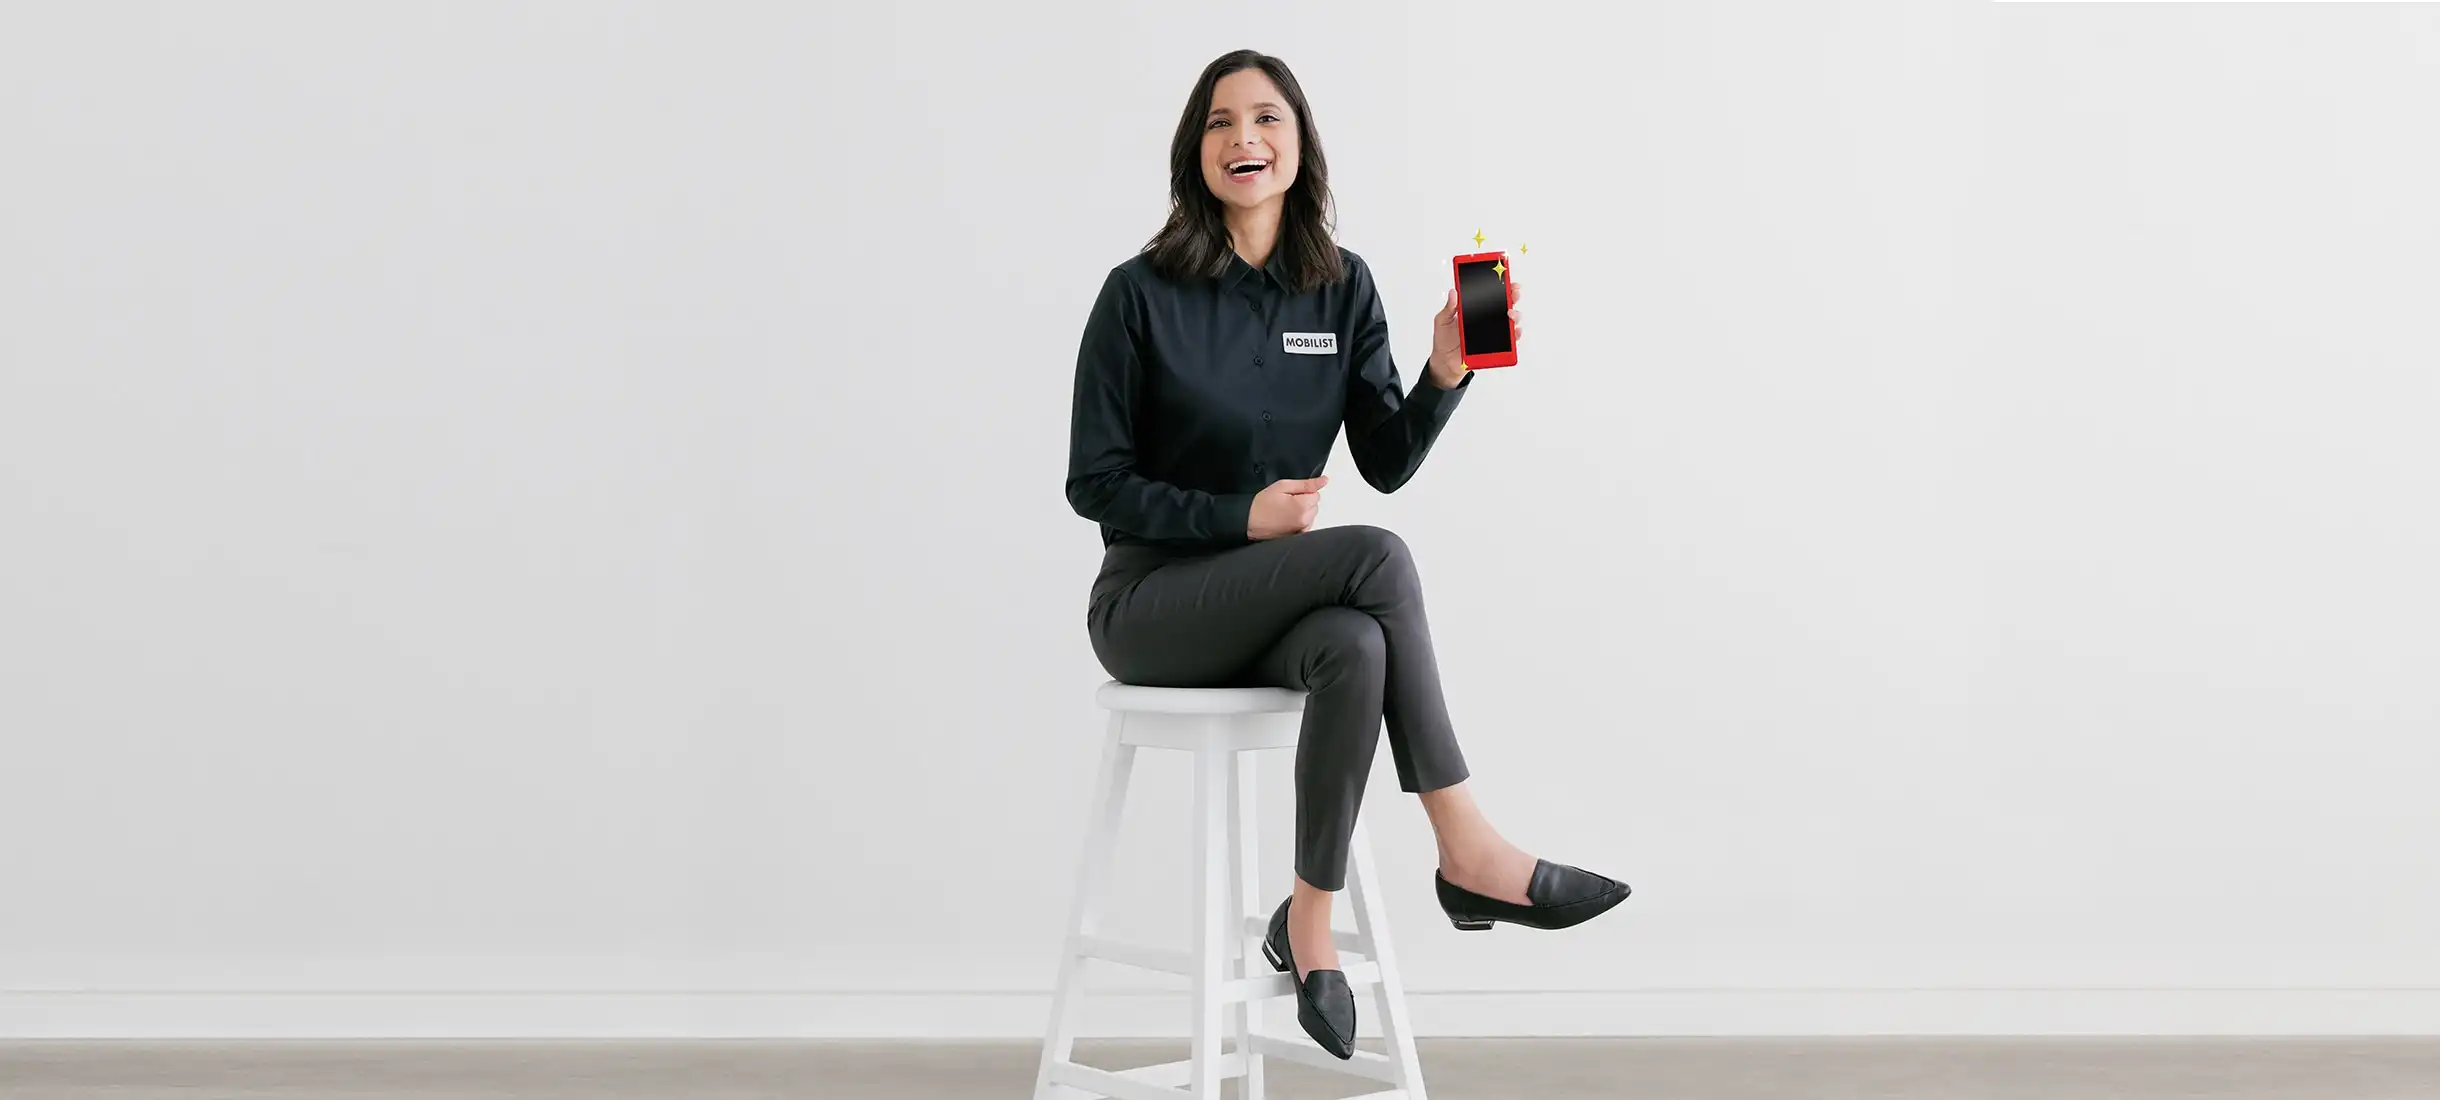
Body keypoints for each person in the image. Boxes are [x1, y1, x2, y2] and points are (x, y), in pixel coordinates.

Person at [1064, 48, 1630, 1058]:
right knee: (1376, 558)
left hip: (1269, 605)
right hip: (1150, 603)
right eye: (1220, 122)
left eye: (1268, 119)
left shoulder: (1340, 286)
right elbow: (1092, 482)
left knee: (1355, 646)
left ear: (1299, 146)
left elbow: (1385, 457)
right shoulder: (1136, 295)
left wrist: (1445, 372)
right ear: (1194, 153)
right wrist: (1240, 516)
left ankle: (1308, 923)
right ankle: (1466, 847)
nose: (1245, 139)